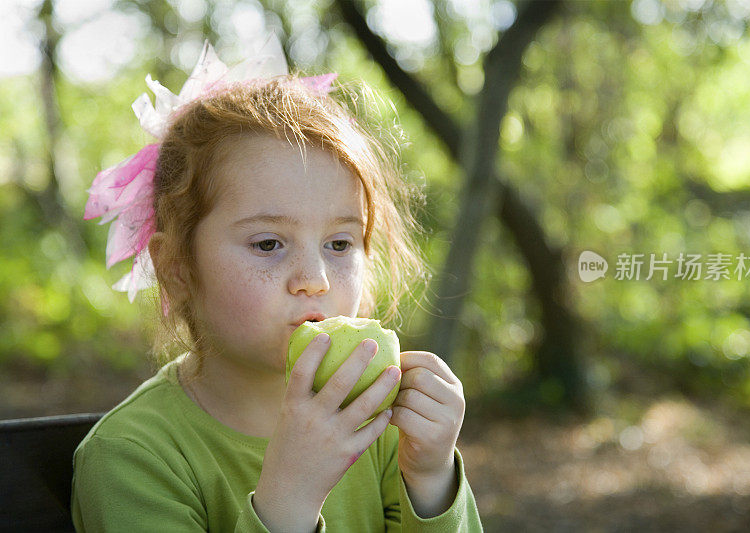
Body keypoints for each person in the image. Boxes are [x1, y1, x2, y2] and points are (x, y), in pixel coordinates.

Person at [71, 35, 482, 532]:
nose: (314, 280)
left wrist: (431, 480)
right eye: (268, 244)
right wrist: (290, 494)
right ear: (177, 267)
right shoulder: (132, 458)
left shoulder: (380, 423)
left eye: (339, 243)